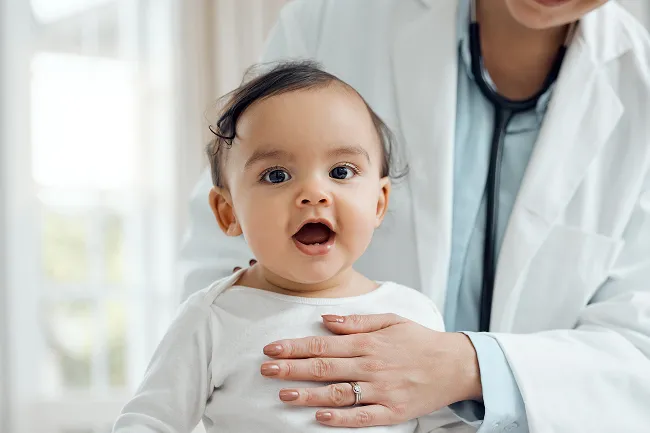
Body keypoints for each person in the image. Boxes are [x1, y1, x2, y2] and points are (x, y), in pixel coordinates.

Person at [180, 0, 650, 431]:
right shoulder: (334, 18)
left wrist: (470, 367)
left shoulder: (639, 81)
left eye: (342, 171)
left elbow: (638, 353)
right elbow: (226, 243)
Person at [113, 61, 457, 432]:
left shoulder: (411, 315)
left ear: (379, 202)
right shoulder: (212, 319)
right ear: (228, 213)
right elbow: (149, 422)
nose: (313, 194)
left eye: (341, 171)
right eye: (276, 175)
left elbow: (446, 424)